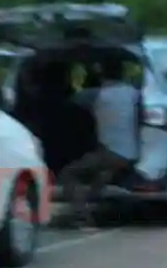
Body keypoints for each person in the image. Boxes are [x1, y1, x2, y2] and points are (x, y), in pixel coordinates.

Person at [55, 58, 139, 229]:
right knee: (100, 175)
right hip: (132, 152)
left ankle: (80, 217)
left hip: (110, 153)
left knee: (68, 173)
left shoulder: (95, 94)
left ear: (102, 74)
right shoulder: (134, 93)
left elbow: (69, 102)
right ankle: (93, 208)